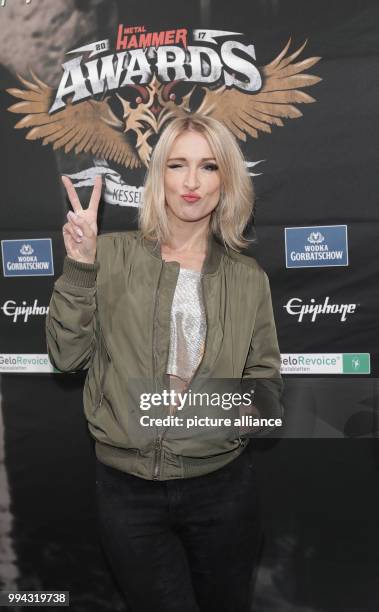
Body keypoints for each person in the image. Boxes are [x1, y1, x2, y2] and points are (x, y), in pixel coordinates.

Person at [46, 113, 283, 612]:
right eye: (177, 165)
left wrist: (234, 416)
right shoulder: (109, 255)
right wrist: (81, 267)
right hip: (127, 495)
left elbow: (265, 378)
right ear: (159, 177)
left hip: (222, 490)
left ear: (228, 180)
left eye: (208, 167)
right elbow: (67, 358)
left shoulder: (247, 277)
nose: (192, 182)